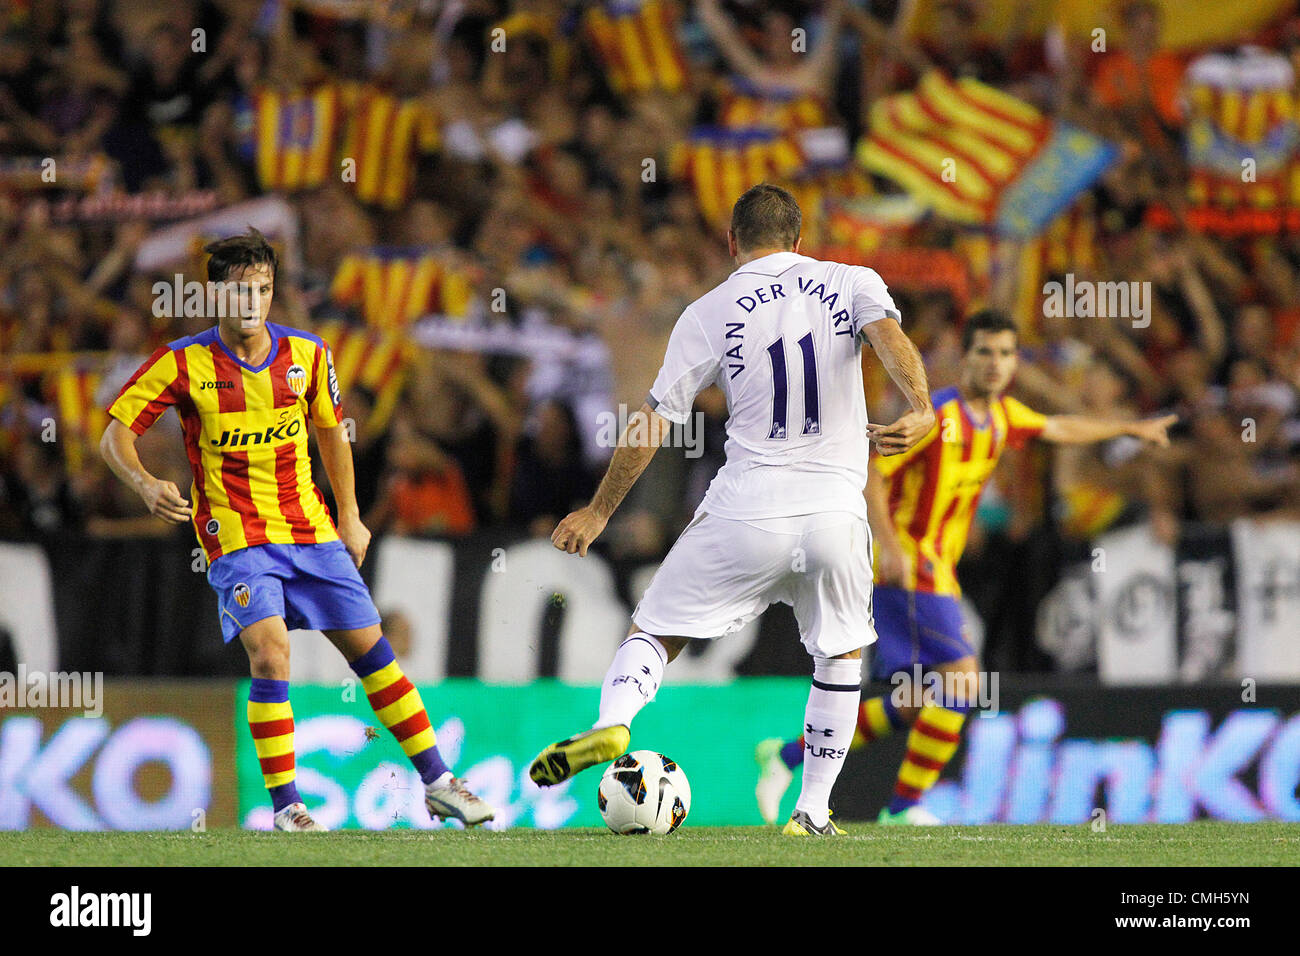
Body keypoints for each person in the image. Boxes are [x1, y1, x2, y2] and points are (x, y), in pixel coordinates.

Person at [527, 183, 936, 836]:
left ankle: (611, 729)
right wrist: (920, 406)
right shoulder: (851, 280)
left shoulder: (709, 310)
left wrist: (600, 512)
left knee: (654, 636)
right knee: (840, 659)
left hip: (746, 510)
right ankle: (812, 809)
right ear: (800, 241)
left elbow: (656, 419)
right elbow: (889, 339)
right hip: (835, 513)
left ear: (732, 242)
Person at [99, 229, 493, 832]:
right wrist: (146, 482)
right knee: (270, 653)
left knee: (377, 660)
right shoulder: (182, 362)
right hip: (236, 537)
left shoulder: (308, 355)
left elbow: (334, 434)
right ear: (215, 296)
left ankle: (439, 783)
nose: (252, 301)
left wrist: (352, 515)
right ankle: (288, 810)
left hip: (310, 530)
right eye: (239, 291)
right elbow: (114, 435)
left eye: (262, 289)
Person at [755, 309, 1178, 825]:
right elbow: (874, 470)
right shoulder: (937, 416)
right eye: (985, 352)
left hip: (936, 572)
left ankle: (785, 756)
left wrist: (1131, 427)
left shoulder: (1003, 417)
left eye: (1005, 353)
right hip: (909, 566)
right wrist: (887, 543)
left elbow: (1060, 425)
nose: (996, 364)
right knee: (963, 682)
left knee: (912, 701)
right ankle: (903, 808)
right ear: (964, 357)